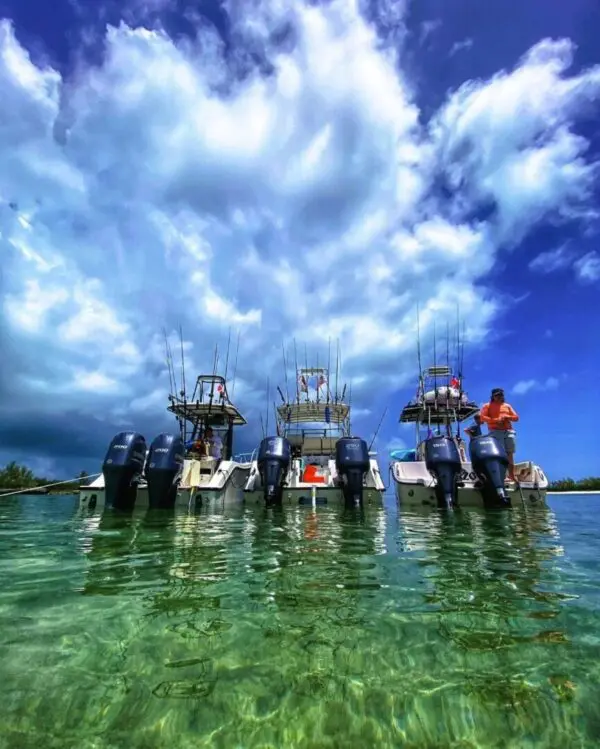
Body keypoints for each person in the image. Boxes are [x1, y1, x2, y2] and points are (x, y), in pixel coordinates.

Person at [479, 388, 519, 481]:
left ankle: (511, 475)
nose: (499, 397)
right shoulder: (487, 406)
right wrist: (496, 420)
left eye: (500, 395)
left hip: (509, 431)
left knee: (510, 453)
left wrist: (507, 417)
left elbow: (516, 417)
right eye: (497, 395)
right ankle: (502, 475)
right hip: (495, 431)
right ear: (492, 396)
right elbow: (482, 418)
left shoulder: (507, 406)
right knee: (500, 454)